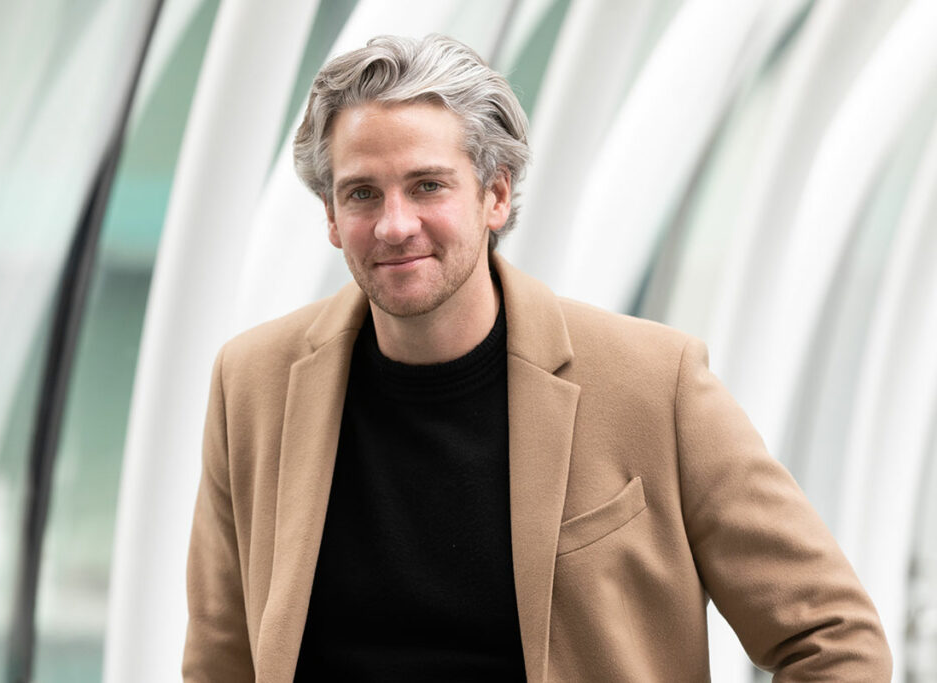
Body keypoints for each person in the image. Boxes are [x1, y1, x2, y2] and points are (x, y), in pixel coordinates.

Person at [182, 34, 891, 681]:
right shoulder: (252, 382)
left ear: (495, 194)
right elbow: (220, 661)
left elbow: (835, 637)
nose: (395, 224)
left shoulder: (654, 383)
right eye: (362, 193)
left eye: (428, 185)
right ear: (332, 219)